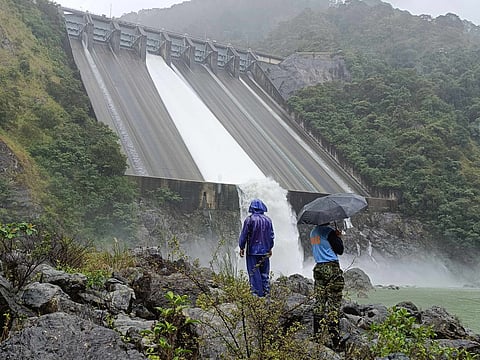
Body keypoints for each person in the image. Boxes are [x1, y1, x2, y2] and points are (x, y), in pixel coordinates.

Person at [310, 222, 344, 348]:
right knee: (334, 302)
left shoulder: (313, 232)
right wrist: (338, 237)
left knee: (319, 301)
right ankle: (335, 339)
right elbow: (339, 250)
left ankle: (317, 335)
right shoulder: (328, 232)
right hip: (331, 268)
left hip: (318, 268)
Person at [238, 198, 274, 297]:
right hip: (265, 251)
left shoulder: (249, 220)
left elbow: (244, 235)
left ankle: (256, 295)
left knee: (254, 273)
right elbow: (271, 236)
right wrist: (270, 248)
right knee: (264, 273)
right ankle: (266, 293)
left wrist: (241, 247)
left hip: (252, 251)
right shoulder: (268, 220)